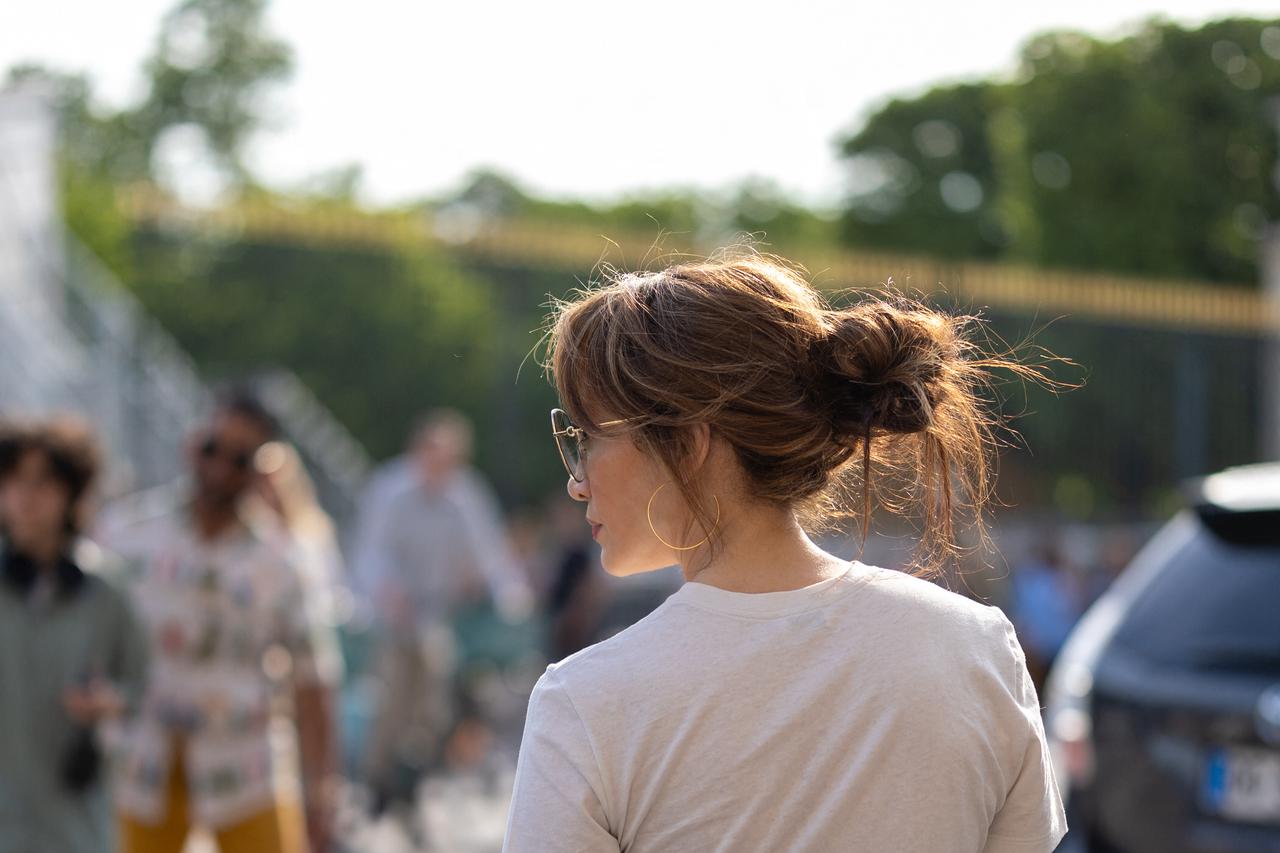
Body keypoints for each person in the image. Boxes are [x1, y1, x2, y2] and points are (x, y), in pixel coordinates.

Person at [504, 253, 1067, 852]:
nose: (577, 481)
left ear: (690, 442)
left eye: (587, 438)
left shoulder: (587, 705)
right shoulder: (977, 647)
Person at [98, 392, 343, 853]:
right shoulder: (127, 534)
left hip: (245, 767)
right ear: (193, 444)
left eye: (240, 456)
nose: (221, 468)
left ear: (265, 467)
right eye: (213, 448)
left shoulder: (281, 562)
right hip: (141, 761)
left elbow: (314, 677)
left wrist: (322, 784)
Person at [352, 410, 531, 818]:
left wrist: (509, 594)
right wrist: (387, 590)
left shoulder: (464, 494)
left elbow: (489, 550)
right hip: (394, 615)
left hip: (436, 616)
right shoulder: (390, 489)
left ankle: (415, 773)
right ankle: (377, 780)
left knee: (433, 701)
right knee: (393, 697)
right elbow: (371, 552)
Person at [0, 416, 149, 853]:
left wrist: (110, 701)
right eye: (12, 479)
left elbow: (142, 683)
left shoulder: (106, 588)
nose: (25, 497)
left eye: (43, 482)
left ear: (72, 491)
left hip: (76, 815)